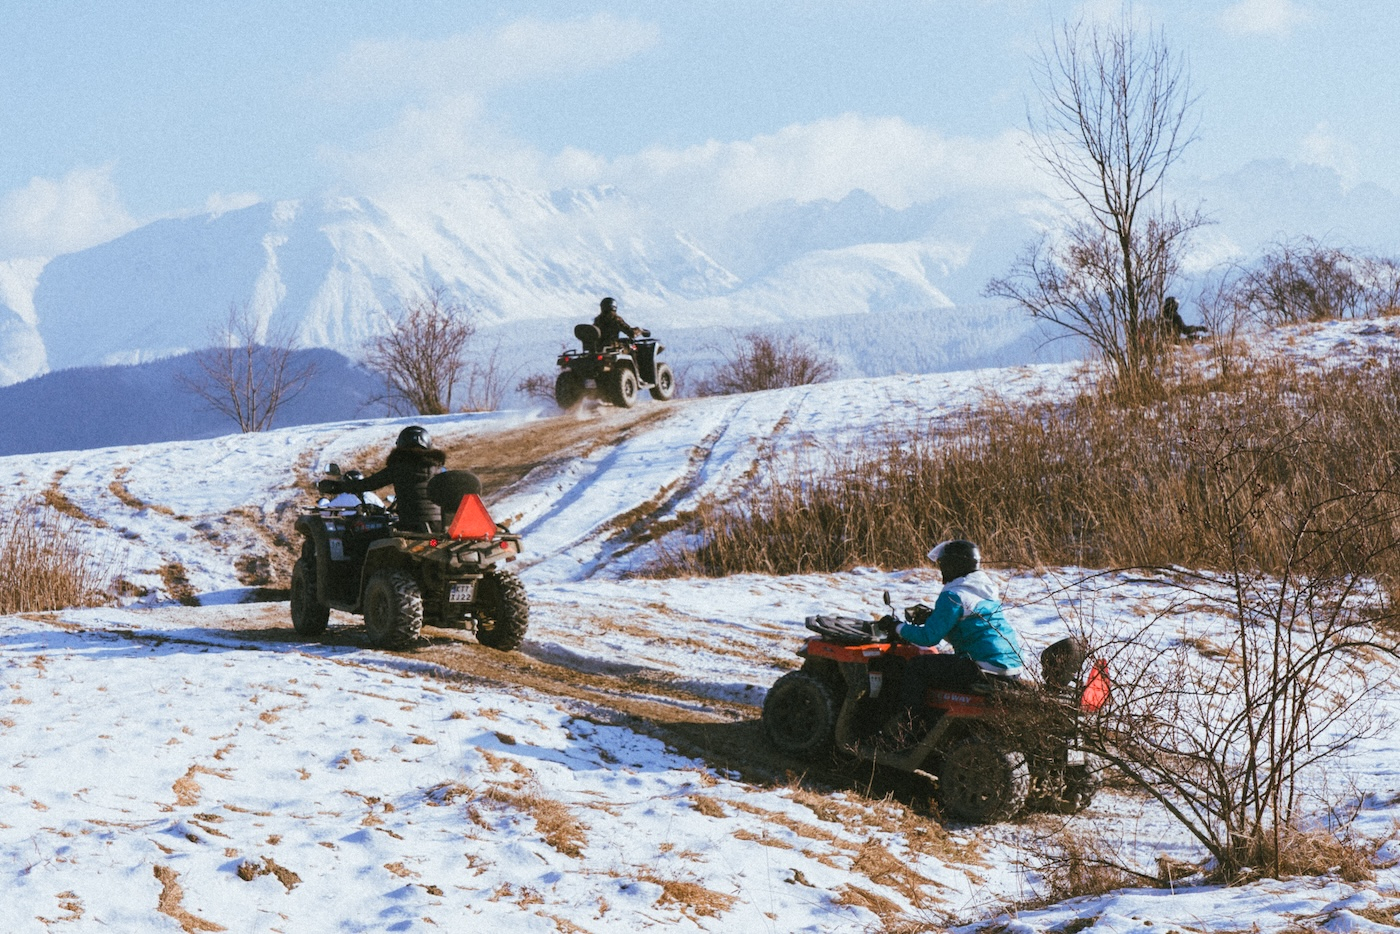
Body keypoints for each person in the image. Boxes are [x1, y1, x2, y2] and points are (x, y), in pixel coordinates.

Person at [879, 539, 1028, 745]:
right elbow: (970, 627)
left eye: (943, 564)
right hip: (1010, 666)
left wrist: (896, 627)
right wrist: (934, 618)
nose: (941, 570)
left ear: (954, 565)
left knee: (916, 667)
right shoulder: (983, 589)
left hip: (982, 666)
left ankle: (907, 729)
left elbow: (928, 638)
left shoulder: (953, 594)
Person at [318, 425, 447, 533]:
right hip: (438, 527)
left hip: (410, 526)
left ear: (401, 445)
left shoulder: (399, 466)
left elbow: (367, 484)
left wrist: (337, 487)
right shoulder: (439, 469)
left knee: (365, 538)